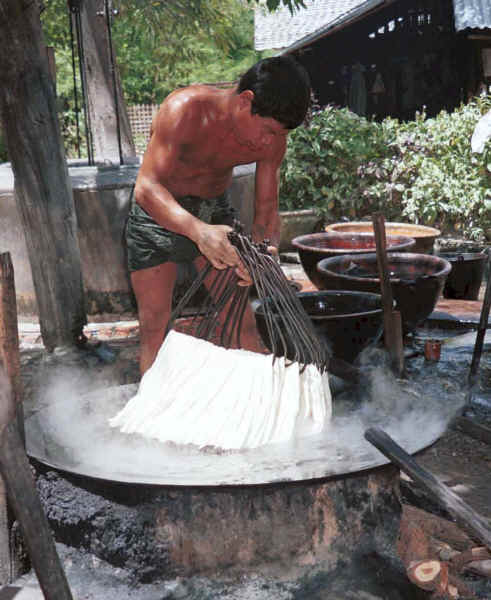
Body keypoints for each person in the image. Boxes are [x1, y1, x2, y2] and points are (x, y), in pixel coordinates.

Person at [127, 56, 311, 374]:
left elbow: (266, 212)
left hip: (213, 212)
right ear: (245, 101)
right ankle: (151, 416)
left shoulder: (273, 140)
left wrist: (265, 254)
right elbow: (145, 188)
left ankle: (255, 410)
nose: (271, 142)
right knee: (154, 326)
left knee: (242, 320)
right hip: (157, 212)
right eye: (268, 130)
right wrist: (199, 232)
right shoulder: (185, 109)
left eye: (279, 135)